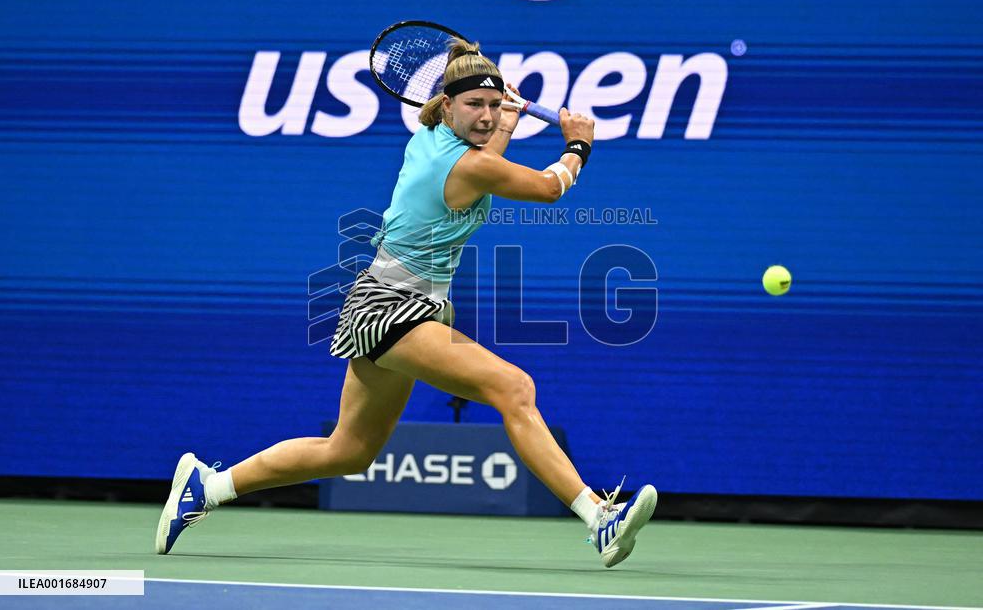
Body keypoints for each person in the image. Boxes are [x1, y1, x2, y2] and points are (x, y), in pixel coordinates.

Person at [156, 38, 656, 568]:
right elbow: (548, 187)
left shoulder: (431, 137)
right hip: (395, 309)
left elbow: (485, 158)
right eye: (474, 105)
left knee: (349, 450)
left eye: (493, 105)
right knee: (514, 387)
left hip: (377, 303)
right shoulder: (467, 164)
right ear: (447, 105)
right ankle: (599, 517)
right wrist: (578, 146)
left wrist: (501, 117)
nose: (486, 115)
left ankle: (207, 487)